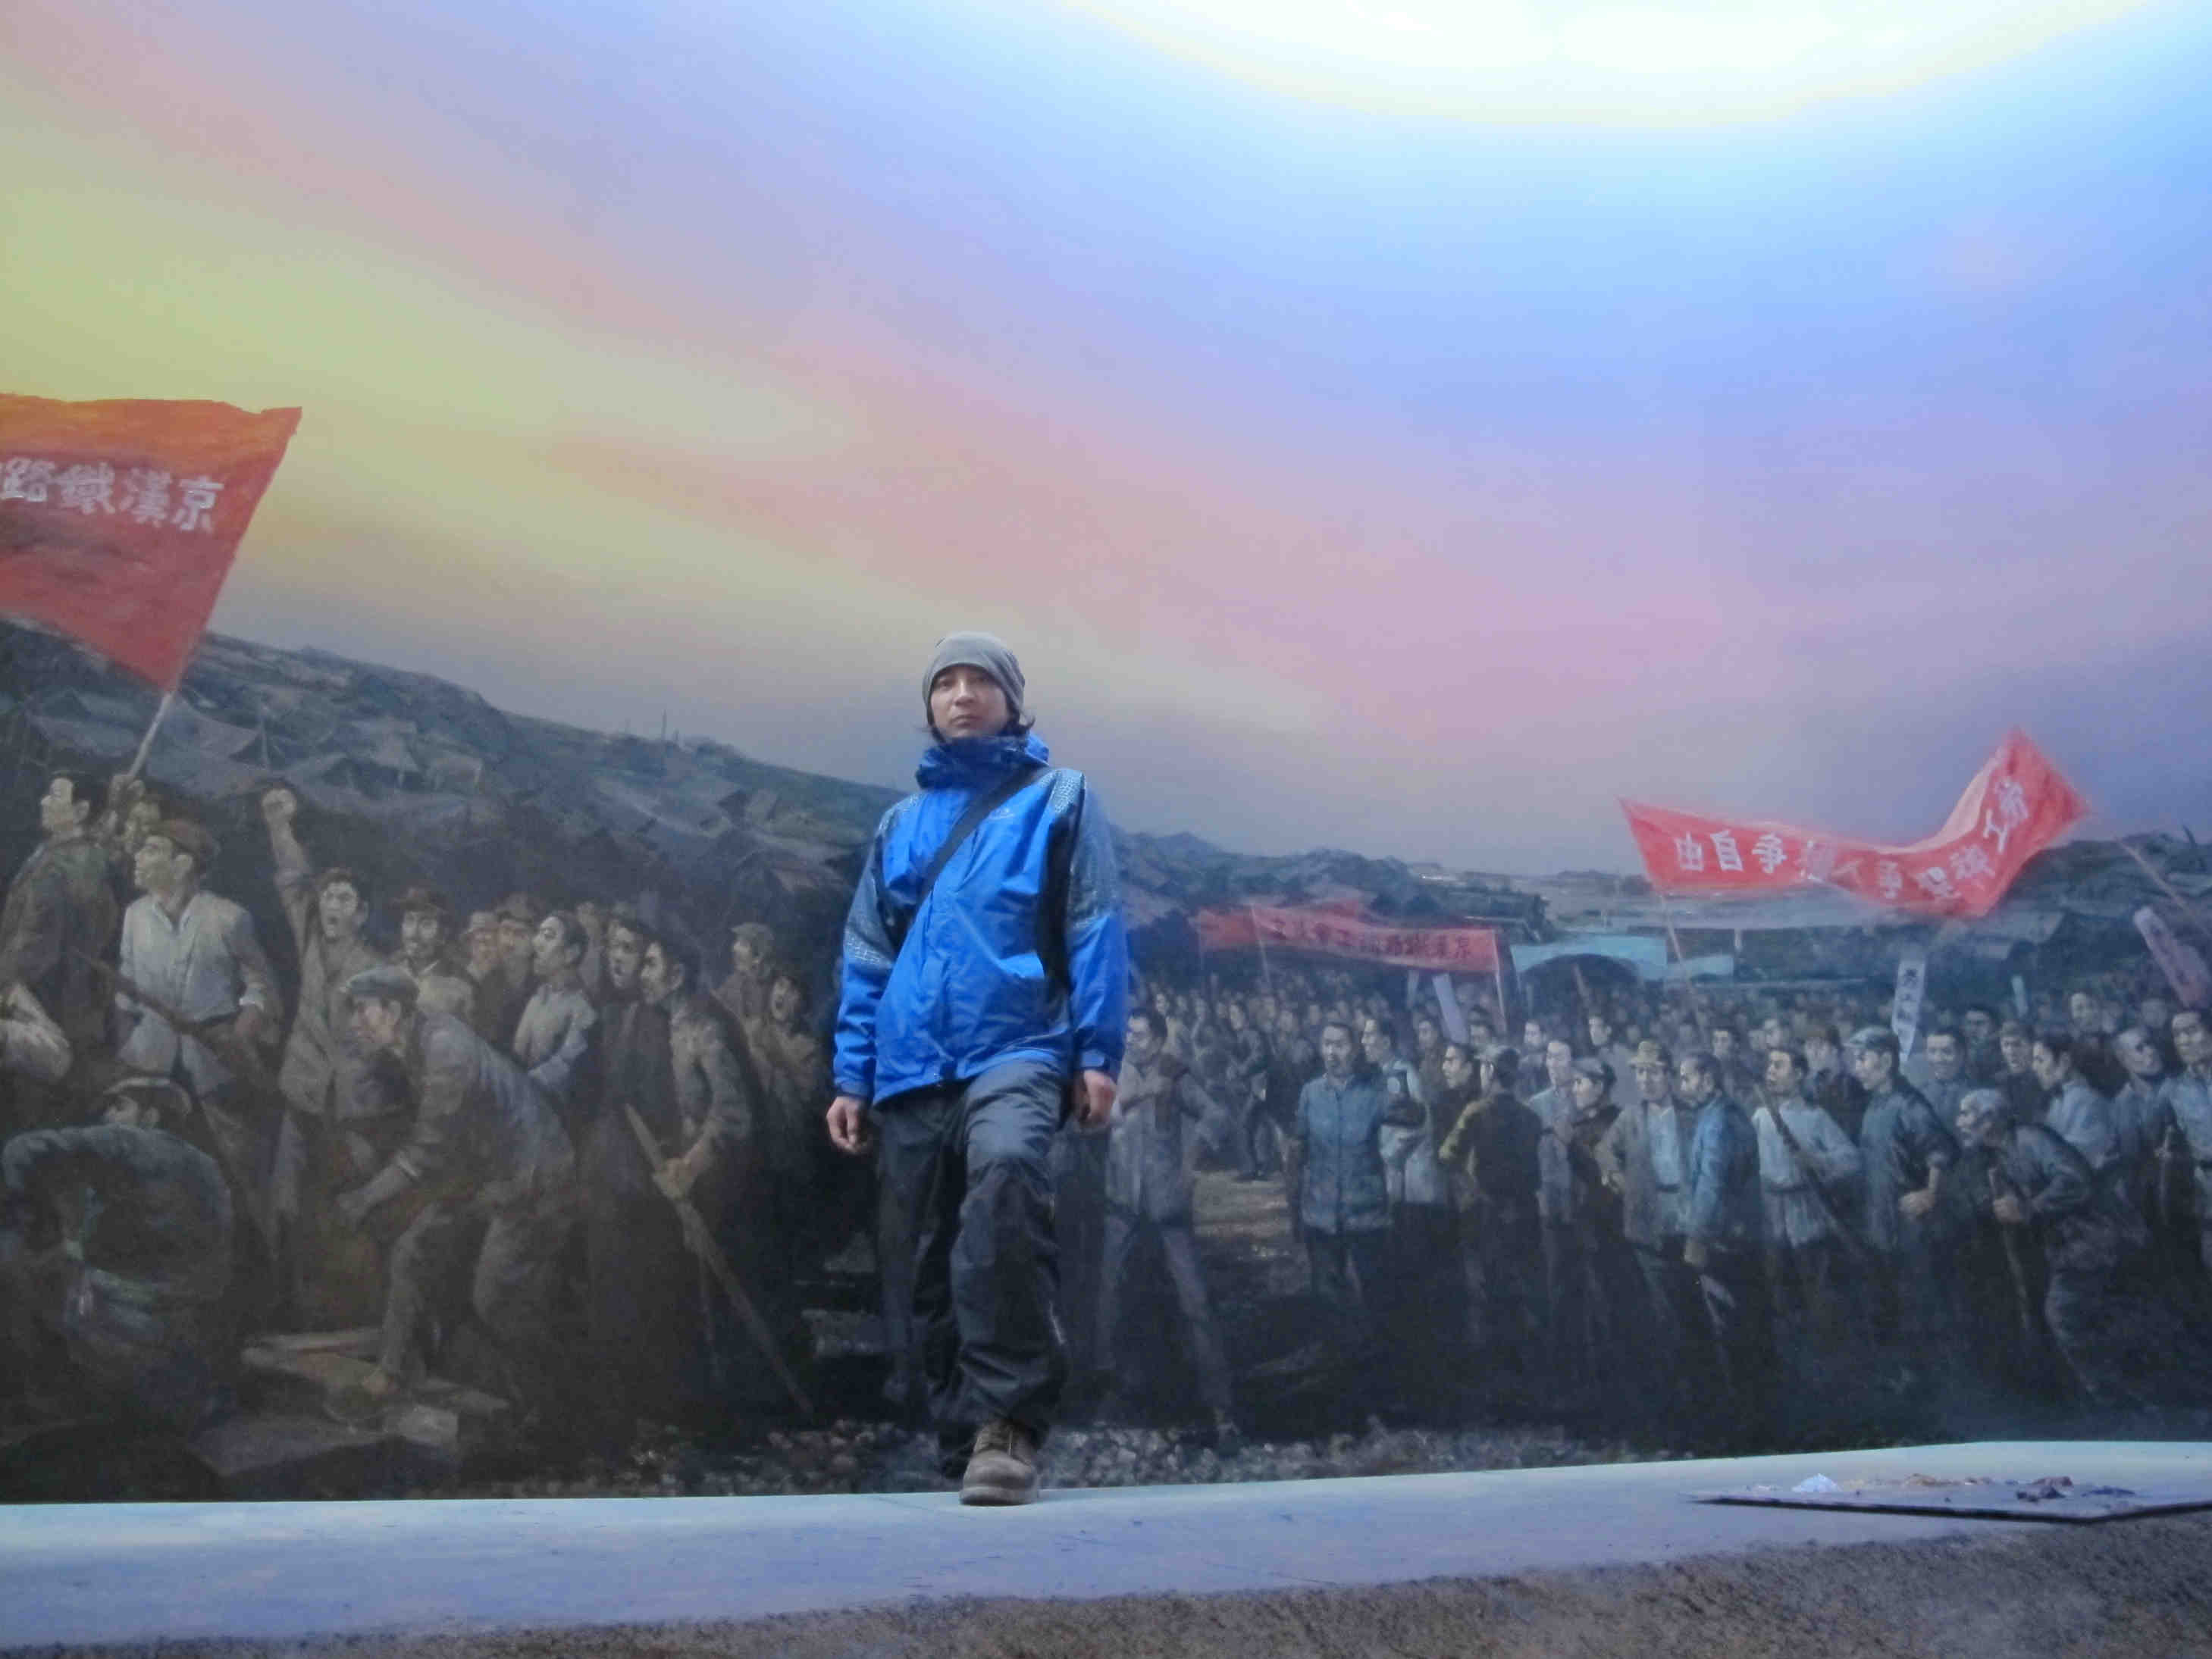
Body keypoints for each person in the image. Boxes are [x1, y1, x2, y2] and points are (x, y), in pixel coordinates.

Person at [826, 632, 1128, 1506]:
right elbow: (866, 953)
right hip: (909, 1064)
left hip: (1018, 1045)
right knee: (923, 1250)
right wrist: (852, 1075)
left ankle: (1008, 1422)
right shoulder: (899, 825)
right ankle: (964, 1435)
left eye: (980, 681)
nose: (961, 694)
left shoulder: (1059, 798)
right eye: (945, 683)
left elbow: (1093, 924)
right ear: (929, 705)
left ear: (1011, 699)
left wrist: (1096, 1052)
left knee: (1002, 1181)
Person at [332, 966, 578, 1421]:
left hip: (533, 1179)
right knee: (412, 1252)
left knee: (496, 1300)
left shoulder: (445, 1048)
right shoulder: (418, 1044)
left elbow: (426, 1152)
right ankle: (390, 1376)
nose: (355, 1022)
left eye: (363, 1010)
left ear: (395, 1011)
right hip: (487, 1177)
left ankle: (552, 1408)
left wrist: (366, 1199)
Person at [0, 1078, 234, 1431]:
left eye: (119, 1106)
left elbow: (22, 1148)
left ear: (151, 1116)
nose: (107, 1116)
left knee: (13, 1258)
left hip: (126, 1311)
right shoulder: (206, 1165)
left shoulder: (131, 1141)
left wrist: (27, 1212)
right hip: (189, 1315)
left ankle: (41, 1397)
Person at [113, 818, 280, 1241]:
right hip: (149, 1065)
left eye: (151, 849)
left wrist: (238, 1038)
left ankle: (255, 1255)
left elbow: (262, 989)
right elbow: (125, 995)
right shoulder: (135, 916)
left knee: (238, 1174)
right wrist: (128, 1048)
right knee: (142, 1171)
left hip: (215, 1068)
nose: (138, 857)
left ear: (183, 863)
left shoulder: (228, 918)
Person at [261, 787, 387, 1326]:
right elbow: (293, 880)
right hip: (302, 1097)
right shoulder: (310, 937)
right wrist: (279, 826)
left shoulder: (376, 969)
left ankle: (355, 1316)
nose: (332, 906)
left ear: (362, 914)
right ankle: (280, 1304)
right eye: (329, 896)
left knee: (351, 1206)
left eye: (344, 900)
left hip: (353, 1110)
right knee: (285, 1204)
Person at [1954, 1088, 2153, 1407]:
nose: (1959, 1122)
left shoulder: (2031, 1139)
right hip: (2065, 1248)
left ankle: (2111, 1394)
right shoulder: (1997, 1155)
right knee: (2089, 1315)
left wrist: (2029, 1209)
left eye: (1966, 1114)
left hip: (2095, 1239)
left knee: (2065, 1311)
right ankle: (2114, 1391)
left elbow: (2076, 1180)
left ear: (1990, 1118)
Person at [1095, 1009, 1236, 1447]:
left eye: (1139, 1036)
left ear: (1158, 1040)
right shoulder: (1110, 1071)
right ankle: (1114, 1393)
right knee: (1112, 1299)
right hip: (1122, 1203)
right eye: (1127, 1034)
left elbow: (1218, 1116)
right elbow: (1093, 1118)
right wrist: (1138, 1095)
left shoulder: (1176, 1074)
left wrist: (1192, 1158)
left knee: (1196, 1304)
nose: (1130, 1041)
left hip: (1167, 1205)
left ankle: (1221, 1406)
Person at [1286, 1019, 1412, 1380]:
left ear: (1354, 1050)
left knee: (1376, 1296)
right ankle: (1336, 1373)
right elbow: (1297, 1149)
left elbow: (1412, 1115)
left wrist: (1398, 1090)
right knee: (1328, 1298)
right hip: (1320, 1213)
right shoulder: (1310, 1094)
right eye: (1327, 1044)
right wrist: (1294, 1206)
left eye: (1340, 1045)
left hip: (1366, 1213)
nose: (1332, 1052)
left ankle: (1383, 1375)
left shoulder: (1373, 1093)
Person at [0, 772, 120, 1101]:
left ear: (81, 811)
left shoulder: (67, 865)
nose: (43, 802)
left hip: (46, 999)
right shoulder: (68, 855)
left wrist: (5, 982)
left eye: (54, 796)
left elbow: (37, 941)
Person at [1851, 1027, 1956, 1375]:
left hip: (1908, 1226)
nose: (1857, 1068)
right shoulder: (1874, 1104)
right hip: (1880, 1221)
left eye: (1862, 1059)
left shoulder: (1910, 1104)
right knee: (1888, 1299)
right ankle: (1899, 1372)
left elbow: (1941, 1151)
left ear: (1885, 1061)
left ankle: (1924, 1375)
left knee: (1915, 1301)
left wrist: (1930, 1193)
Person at [1750, 1047, 1861, 1360]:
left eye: (1779, 1066)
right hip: (1771, 1216)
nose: (1771, 1072)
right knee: (1779, 1292)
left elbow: (1852, 1160)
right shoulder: (1760, 1117)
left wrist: (1816, 1160)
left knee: (1818, 1291)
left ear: (1798, 1075)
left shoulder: (1816, 1117)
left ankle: (1828, 1360)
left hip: (1807, 1212)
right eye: (1769, 1065)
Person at [1679, 1050, 1772, 1421]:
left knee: (1728, 1321)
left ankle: (1740, 1410)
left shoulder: (1718, 1122)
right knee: (1744, 1318)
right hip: (1743, 1233)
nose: (1682, 1086)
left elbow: (1711, 1184)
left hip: (1724, 1238)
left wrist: (1697, 1235)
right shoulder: (1730, 1115)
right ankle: (1752, 1403)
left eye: (1687, 1078)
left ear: (1707, 1080)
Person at [510, 910, 600, 1136]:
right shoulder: (537, 998)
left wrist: (516, 1086)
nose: (536, 942)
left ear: (571, 953)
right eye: (538, 934)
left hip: (556, 1129)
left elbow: (564, 1069)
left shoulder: (582, 1010)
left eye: (548, 936)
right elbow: (516, 1057)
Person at [2032, 1031, 2118, 1174]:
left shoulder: (2087, 1101)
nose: (2034, 1068)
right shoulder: (2059, 1099)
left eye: (2040, 1060)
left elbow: (2077, 1160)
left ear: (2064, 1062)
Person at [393, 887, 476, 1026]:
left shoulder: (463, 987)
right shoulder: (388, 972)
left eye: (426, 924)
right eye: (409, 920)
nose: (413, 933)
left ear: (443, 934)